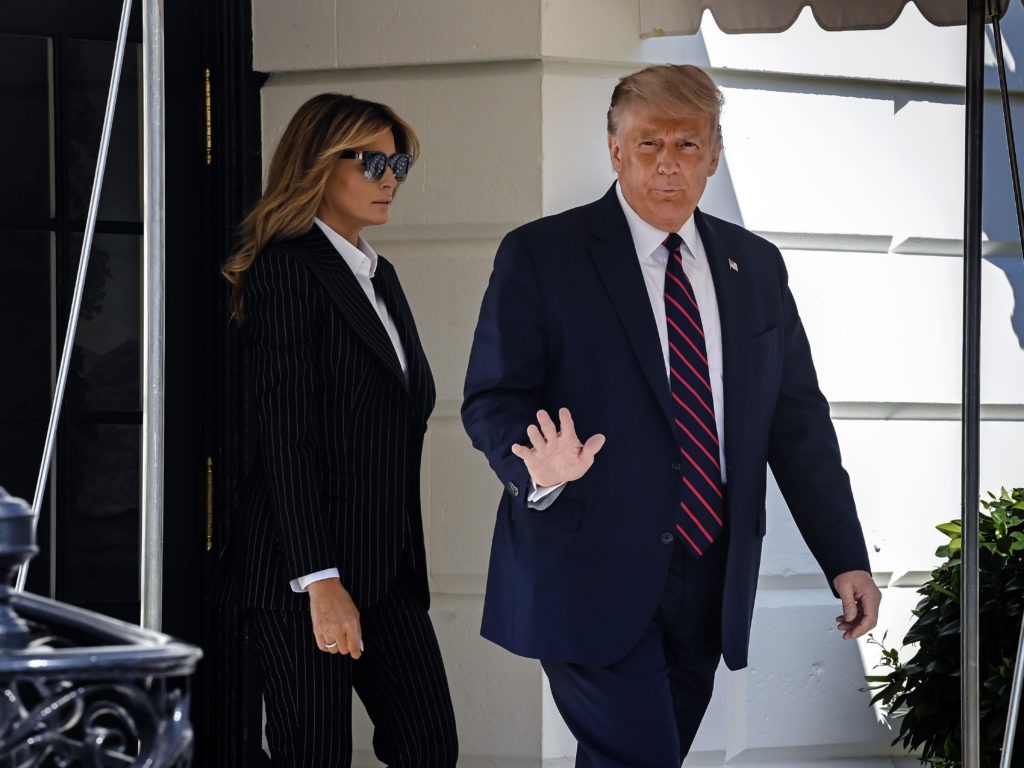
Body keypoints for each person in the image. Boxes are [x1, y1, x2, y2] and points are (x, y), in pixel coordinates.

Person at [461, 64, 881, 767]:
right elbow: (492, 397)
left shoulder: (757, 267)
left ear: (714, 157)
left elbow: (798, 424)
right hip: (586, 568)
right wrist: (533, 463)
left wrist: (845, 559)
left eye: (687, 145)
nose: (668, 164)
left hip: (709, 577)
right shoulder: (543, 255)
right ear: (614, 149)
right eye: (649, 143)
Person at [217, 93, 458, 768]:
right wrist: (321, 583)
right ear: (320, 165)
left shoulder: (382, 278)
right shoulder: (287, 271)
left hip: (386, 574)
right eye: (373, 161)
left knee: (430, 749)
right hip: (304, 575)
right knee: (313, 758)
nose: (390, 178)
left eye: (399, 162)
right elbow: (284, 437)